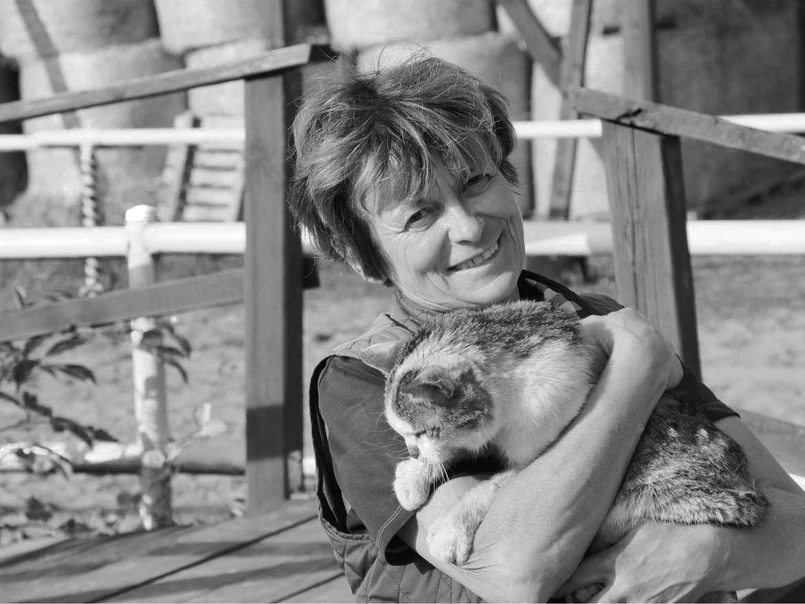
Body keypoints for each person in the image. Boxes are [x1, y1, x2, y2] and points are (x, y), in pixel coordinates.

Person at [288, 56, 805, 602]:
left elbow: (792, 517)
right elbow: (515, 571)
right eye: (419, 215)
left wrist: (710, 554)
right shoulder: (368, 383)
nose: (468, 226)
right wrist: (631, 379)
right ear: (363, 257)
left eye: (476, 180)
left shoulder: (591, 316)